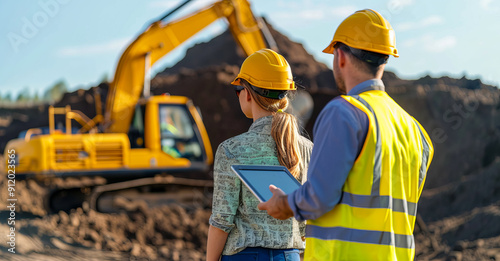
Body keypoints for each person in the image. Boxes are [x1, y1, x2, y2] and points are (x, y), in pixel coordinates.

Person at [258, 9, 434, 261]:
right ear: (384, 60)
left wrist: (284, 204)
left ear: (340, 55)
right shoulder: (415, 131)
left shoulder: (344, 112)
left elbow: (319, 197)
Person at [206, 49, 313, 261]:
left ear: (246, 93)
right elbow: (306, 222)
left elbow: (221, 221)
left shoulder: (231, 149)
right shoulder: (308, 148)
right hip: (290, 256)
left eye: (238, 89)